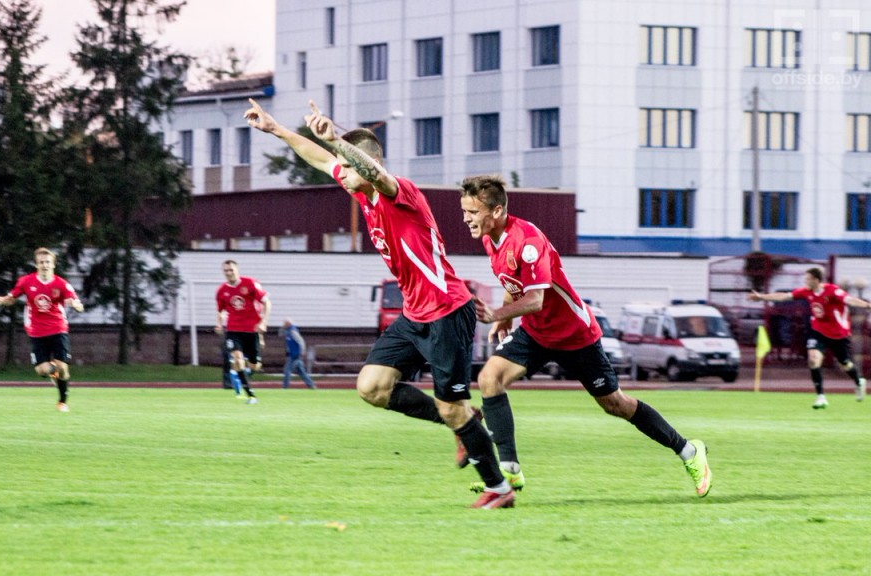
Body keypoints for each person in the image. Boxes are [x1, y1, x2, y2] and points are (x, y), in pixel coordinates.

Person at [245, 98, 514, 509]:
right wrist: (277, 129)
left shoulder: (399, 192)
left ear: (367, 164)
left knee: (452, 408)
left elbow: (374, 173)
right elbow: (320, 159)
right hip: (414, 314)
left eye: (348, 165)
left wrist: (336, 140)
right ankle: (465, 421)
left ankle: (498, 488)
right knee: (371, 386)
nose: (342, 173)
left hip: (447, 312)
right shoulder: (361, 191)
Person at [458, 175, 712, 498]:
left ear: (495, 211)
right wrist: (507, 314)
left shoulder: (528, 241)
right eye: (464, 211)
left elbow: (535, 299)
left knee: (616, 404)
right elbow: (514, 282)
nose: (466, 219)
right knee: (489, 378)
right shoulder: (490, 239)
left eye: (473, 212)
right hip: (537, 332)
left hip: (574, 334)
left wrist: (497, 313)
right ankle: (509, 471)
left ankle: (690, 451)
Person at [748, 267, 870, 408]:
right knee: (813, 359)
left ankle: (858, 382)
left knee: (845, 363)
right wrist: (762, 297)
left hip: (838, 333)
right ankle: (820, 397)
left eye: (808, 279)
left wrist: (867, 305)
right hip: (818, 330)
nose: (805, 282)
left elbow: (850, 300)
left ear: (816, 280)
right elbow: (785, 296)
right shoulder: (806, 291)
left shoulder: (832, 290)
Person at [0, 247, 84, 412]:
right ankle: (53, 374)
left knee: (63, 369)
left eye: (48, 262)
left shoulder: (61, 284)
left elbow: (75, 302)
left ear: (53, 264)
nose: (45, 265)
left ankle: (62, 401)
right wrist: (2, 300)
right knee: (42, 370)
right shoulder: (26, 281)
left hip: (58, 328)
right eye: (41, 262)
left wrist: (76, 305)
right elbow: (12, 298)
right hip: (37, 331)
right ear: (36, 265)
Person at [215, 260, 271, 405]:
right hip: (233, 330)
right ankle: (250, 395)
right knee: (238, 359)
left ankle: (241, 376)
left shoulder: (250, 283)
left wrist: (263, 322)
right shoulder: (221, 291)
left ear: (237, 270)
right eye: (226, 271)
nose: (228, 273)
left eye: (231, 270)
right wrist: (219, 323)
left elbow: (267, 302)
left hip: (252, 330)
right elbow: (221, 311)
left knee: (254, 365)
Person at [281, 318, 316, 389]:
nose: (283, 325)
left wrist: (302, 352)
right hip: (293, 354)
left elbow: (301, 342)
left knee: (287, 370)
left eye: (284, 323)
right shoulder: (288, 332)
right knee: (301, 371)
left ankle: (285, 386)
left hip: (294, 355)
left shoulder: (293, 332)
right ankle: (311, 385)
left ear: (288, 324)